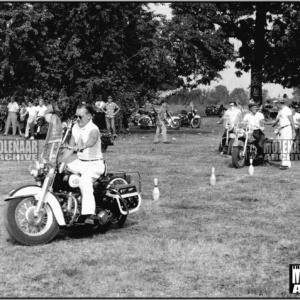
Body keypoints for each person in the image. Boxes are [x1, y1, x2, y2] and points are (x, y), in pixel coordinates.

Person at [61, 104, 105, 225]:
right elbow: (71, 148)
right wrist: (59, 161)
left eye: (80, 116)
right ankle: (64, 204)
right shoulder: (75, 127)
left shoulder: (93, 128)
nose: (78, 119)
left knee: (84, 181)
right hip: (80, 162)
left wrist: (84, 145)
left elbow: (92, 140)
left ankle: (88, 215)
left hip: (94, 163)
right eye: (76, 116)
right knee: (59, 173)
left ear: (89, 116)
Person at [266, 94, 296, 169]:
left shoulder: (287, 110)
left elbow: (291, 121)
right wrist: (265, 122)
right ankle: (287, 164)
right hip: (282, 130)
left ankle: (285, 164)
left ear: (280, 103)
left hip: (287, 129)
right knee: (283, 146)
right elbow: (275, 122)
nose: (275, 104)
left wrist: (293, 131)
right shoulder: (280, 111)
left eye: (276, 103)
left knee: (286, 146)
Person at [242, 100, 269, 166]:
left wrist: (262, 127)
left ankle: (265, 160)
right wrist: (243, 126)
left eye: (255, 107)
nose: (254, 108)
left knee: (260, 145)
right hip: (249, 131)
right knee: (242, 139)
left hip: (258, 131)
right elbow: (243, 123)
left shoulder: (260, 115)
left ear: (257, 108)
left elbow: (262, 123)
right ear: (250, 108)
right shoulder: (247, 115)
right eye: (252, 107)